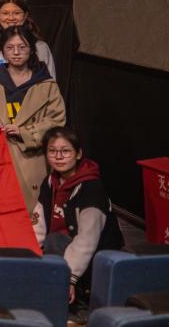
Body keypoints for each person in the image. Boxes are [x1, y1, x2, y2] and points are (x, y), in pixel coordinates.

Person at [0, 25, 66, 212]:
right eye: (10, 47)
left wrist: (24, 132)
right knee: (2, 209)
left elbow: (57, 120)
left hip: (33, 157)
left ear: (31, 49)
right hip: (0, 156)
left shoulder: (46, 84)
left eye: (22, 47)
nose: (16, 52)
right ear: (2, 51)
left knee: (33, 212)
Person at [32, 127, 124, 308]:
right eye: (52, 151)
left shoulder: (91, 189)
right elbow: (38, 223)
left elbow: (87, 240)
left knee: (54, 240)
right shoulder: (50, 182)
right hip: (60, 252)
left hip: (93, 258)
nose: (58, 157)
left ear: (78, 153)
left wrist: (69, 277)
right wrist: (29, 256)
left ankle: (76, 300)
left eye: (65, 151)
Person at [0, 0, 57, 77]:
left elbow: (50, 82)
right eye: (5, 13)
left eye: (17, 13)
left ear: (25, 15)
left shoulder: (40, 47)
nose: (11, 18)